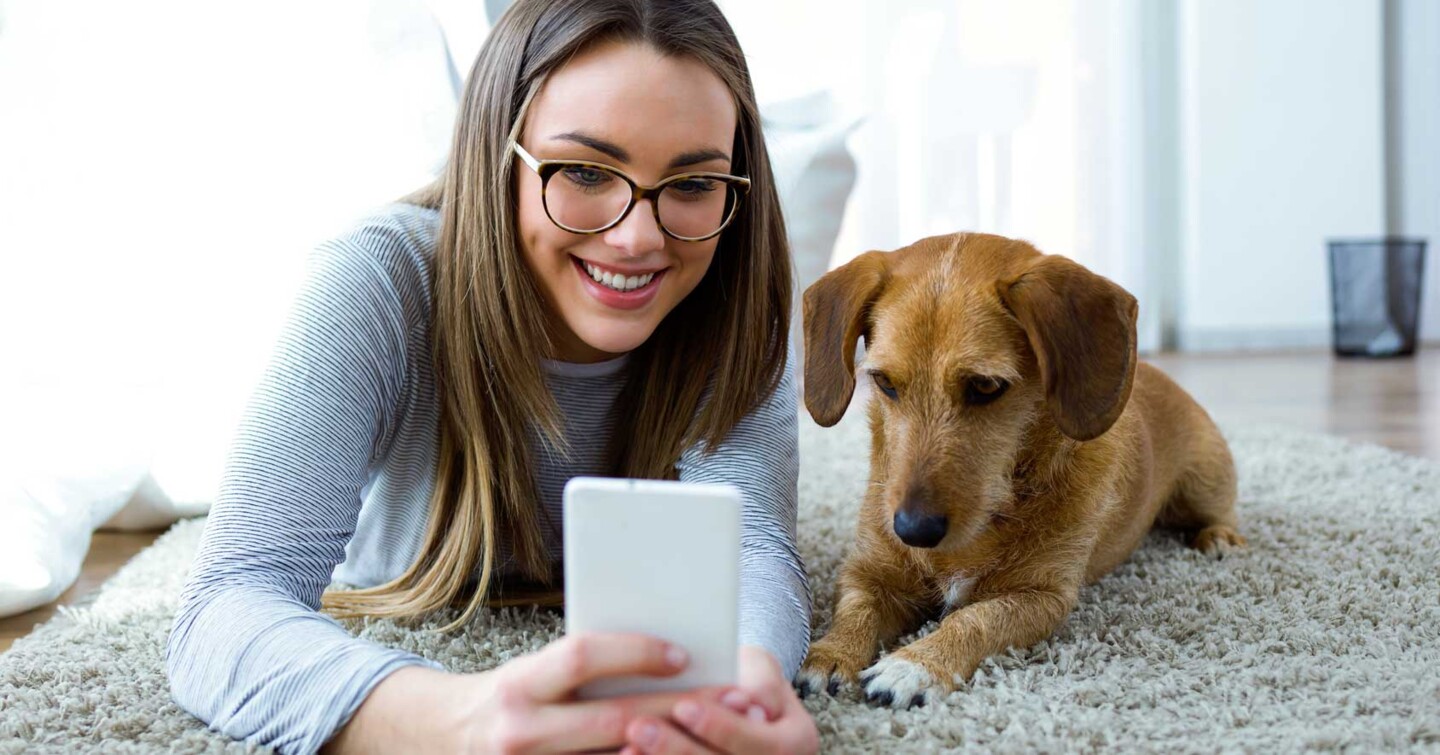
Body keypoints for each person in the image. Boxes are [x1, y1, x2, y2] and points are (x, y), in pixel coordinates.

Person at [164, 0, 820, 753]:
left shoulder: (735, 295)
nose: (638, 236)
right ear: (496, 156)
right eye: (582, 171)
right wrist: (457, 718)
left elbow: (755, 550)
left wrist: (741, 692)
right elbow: (225, 603)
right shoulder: (377, 278)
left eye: (694, 184)